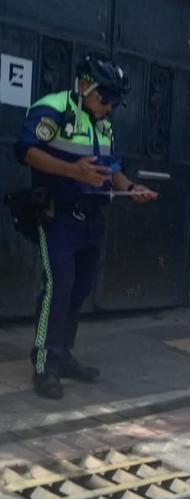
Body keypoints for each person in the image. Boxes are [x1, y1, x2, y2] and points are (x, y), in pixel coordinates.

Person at [13, 53, 158, 400]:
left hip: (93, 220)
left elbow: (112, 167)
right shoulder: (55, 110)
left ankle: (63, 356)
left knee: (79, 290)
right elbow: (25, 150)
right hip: (59, 217)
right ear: (84, 86)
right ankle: (45, 365)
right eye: (105, 99)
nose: (109, 108)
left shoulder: (103, 123)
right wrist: (72, 171)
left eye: (113, 102)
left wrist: (130, 188)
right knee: (58, 287)